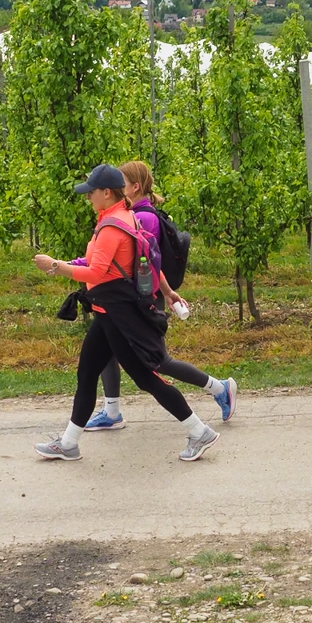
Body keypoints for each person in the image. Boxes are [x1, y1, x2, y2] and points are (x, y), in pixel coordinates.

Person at [31, 164, 221, 463]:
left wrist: (57, 266)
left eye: (91, 193)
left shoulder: (111, 227)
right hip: (108, 312)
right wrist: (65, 262)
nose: (87, 198)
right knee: (87, 374)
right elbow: (96, 260)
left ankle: (198, 431)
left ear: (107, 193)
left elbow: (95, 270)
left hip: (116, 315)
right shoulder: (122, 218)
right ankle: (69, 443)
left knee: (146, 378)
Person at [84, 160, 237, 432]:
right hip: (122, 301)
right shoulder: (134, 214)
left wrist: (163, 292)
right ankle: (112, 410)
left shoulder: (142, 218)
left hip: (136, 301)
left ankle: (219, 389)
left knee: (157, 361)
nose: (116, 188)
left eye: (121, 182)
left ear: (135, 187)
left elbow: (145, 263)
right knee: (107, 350)